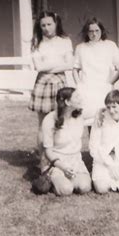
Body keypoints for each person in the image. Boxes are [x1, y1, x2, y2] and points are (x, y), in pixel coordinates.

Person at [29, 11, 73, 155]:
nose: (46, 28)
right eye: (43, 25)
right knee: (43, 124)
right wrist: (58, 62)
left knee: (60, 120)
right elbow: (38, 66)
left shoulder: (64, 40)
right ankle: (43, 160)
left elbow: (69, 64)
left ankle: (59, 156)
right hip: (43, 83)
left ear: (56, 24)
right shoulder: (37, 41)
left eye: (49, 24)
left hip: (59, 83)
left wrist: (48, 64)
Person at [41, 87, 91, 196]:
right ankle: (52, 179)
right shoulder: (50, 120)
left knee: (85, 187)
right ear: (67, 102)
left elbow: (99, 113)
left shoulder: (80, 116)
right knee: (66, 190)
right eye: (77, 97)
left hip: (75, 160)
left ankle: (68, 181)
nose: (81, 99)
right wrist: (63, 167)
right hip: (55, 162)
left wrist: (102, 114)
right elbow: (48, 151)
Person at [72, 17, 119, 121]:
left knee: (106, 119)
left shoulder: (110, 46)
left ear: (101, 31)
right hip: (87, 89)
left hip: (104, 88)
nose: (94, 34)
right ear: (86, 32)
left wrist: (110, 83)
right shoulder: (81, 48)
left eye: (96, 31)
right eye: (90, 31)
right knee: (90, 120)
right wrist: (79, 85)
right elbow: (75, 69)